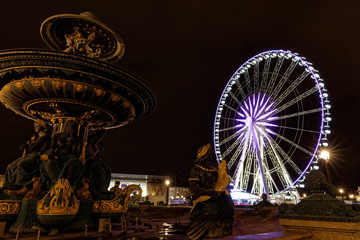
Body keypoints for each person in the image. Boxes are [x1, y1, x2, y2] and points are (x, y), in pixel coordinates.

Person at [186, 143, 234, 240]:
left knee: (228, 202)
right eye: (209, 154)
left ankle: (219, 231)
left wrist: (224, 174)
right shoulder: (196, 169)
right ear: (204, 155)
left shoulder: (212, 170)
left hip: (215, 195)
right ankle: (206, 231)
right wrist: (210, 192)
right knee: (215, 205)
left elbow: (220, 184)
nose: (211, 156)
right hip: (203, 197)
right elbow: (193, 189)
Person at [2, 120, 51, 194]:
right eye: (34, 126)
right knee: (11, 166)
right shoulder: (39, 136)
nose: (35, 128)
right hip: (32, 155)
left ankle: (19, 184)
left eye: (37, 126)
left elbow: (33, 148)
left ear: (42, 126)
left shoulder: (44, 136)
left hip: (38, 157)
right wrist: (28, 145)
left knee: (21, 163)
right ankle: (7, 185)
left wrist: (28, 144)